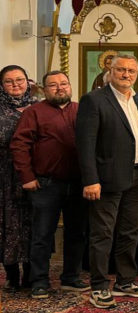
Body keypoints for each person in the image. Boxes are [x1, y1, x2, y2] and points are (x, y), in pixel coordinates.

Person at [76, 54, 138, 308]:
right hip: (106, 178)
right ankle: (99, 287)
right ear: (110, 71)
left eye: (131, 71)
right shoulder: (94, 100)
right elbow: (85, 143)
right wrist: (90, 179)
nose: (126, 75)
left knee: (130, 231)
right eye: (121, 70)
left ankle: (125, 281)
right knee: (103, 234)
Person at [10, 71, 87, 298]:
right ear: (45, 90)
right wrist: (27, 177)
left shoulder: (81, 110)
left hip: (79, 183)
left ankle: (71, 277)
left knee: (77, 233)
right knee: (42, 234)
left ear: (70, 86)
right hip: (46, 184)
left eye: (64, 83)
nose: (60, 88)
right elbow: (19, 146)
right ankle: (39, 281)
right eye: (53, 85)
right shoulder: (34, 112)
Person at [0, 64, 36, 290]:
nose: (16, 85)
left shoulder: (39, 107)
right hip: (3, 177)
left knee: (34, 224)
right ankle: (11, 275)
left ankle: (32, 274)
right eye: (9, 81)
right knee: (6, 225)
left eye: (20, 80)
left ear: (27, 81)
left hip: (32, 175)